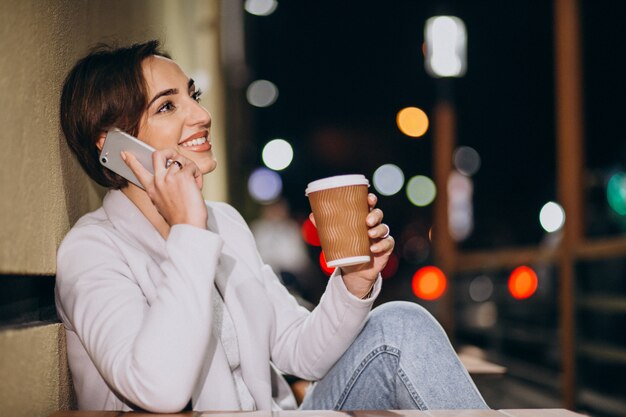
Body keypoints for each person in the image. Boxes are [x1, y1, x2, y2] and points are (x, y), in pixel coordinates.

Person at [55, 40, 488, 413]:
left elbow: (299, 349)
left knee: (401, 324)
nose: (202, 115)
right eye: (168, 106)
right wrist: (188, 229)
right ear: (112, 146)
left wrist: (355, 281)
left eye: (193, 96)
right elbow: (157, 389)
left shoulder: (224, 221)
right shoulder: (92, 250)